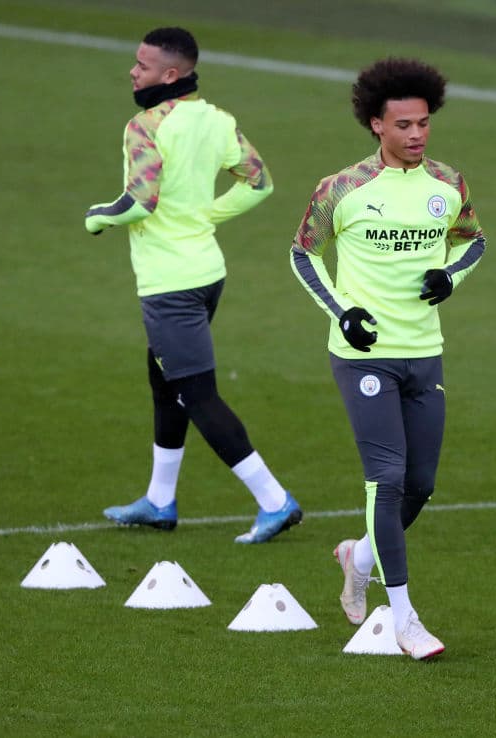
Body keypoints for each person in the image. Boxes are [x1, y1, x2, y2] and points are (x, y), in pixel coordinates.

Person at [290, 57, 485, 660]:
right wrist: (340, 312)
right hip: (362, 357)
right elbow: (303, 254)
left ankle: (359, 556)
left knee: (421, 486)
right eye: (403, 124)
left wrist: (450, 277)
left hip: (425, 355)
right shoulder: (342, 188)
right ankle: (403, 617)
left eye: (424, 123)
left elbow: (475, 239)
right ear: (376, 124)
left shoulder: (448, 184)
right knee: (388, 480)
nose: (417, 134)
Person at [84, 27, 301, 543]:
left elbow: (139, 201)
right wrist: (208, 215)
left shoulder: (145, 126)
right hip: (206, 275)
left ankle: (275, 501)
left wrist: (95, 218)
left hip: (170, 285)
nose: (133, 72)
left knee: (198, 396)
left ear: (170, 75)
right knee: (165, 384)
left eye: (142, 65)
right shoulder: (218, 120)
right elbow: (259, 182)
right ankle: (160, 501)